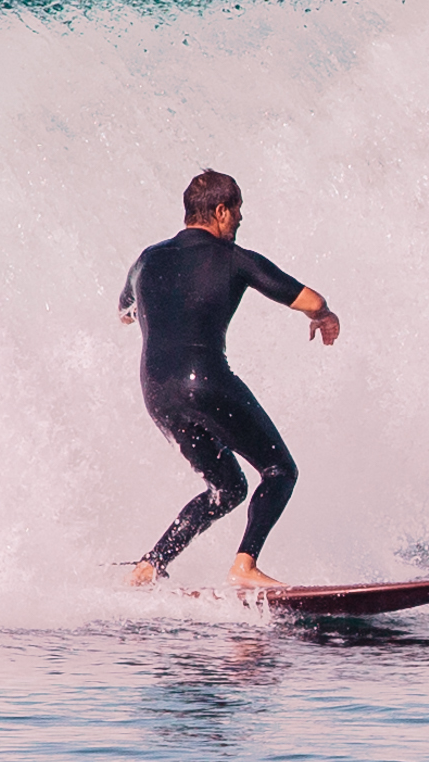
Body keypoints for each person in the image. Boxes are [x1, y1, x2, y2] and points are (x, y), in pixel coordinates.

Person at [119, 169, 341, 589]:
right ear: (221, 211)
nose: (239, 222)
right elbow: (310, 299)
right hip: (203, 380)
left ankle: (150, 565)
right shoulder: (235, 260)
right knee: (279, 471)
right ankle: (245, 567)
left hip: (156, 391)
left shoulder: (146, 259)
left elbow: (124, 311)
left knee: (227, 487)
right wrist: (324, 316)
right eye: (237, 213)